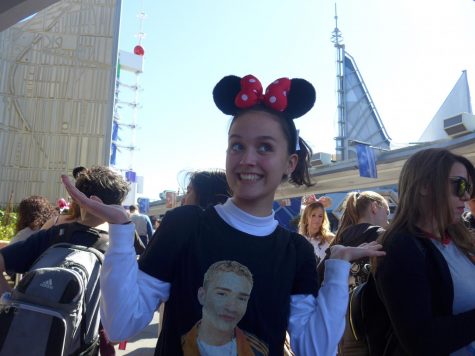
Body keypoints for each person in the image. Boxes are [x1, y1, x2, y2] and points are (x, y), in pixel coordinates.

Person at [61, 74, 385, 355]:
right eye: (237, 145)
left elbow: (314, 350)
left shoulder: (295, 251)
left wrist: (338, 267)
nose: (247, 159)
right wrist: (120, 229)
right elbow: (120, 326)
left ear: (290, 163)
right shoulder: (184, 225)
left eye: (265, 147)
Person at [0, 166, 130, 355]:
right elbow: (120, 322)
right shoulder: (117, 247)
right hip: (82, 344)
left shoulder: (54, 235)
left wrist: (8, 297)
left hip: (29, 337)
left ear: (80, 199)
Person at [372, 148, 475, 355]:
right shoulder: (401, 247)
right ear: (425, 186)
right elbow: (421, 340)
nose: (466, 196)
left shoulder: (457, 240)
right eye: (459, 185)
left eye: (469, 187)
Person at [181, 260, 268, 355]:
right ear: (202, 296)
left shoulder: (259, 351)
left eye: (242, 298)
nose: (232, 308)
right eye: (222, 294)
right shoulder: (178, 345)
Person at [333, 190, 389, 287]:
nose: (387, 221)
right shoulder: (382, 237)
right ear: (374, 207)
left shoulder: (340, 240)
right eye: (387, 213)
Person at [298, 196, 335, 265]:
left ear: (323, 218)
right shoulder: (300, 239)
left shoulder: (330, 238)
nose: (317, 219)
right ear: (306, 217)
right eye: (313, 215)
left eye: (320, 216)